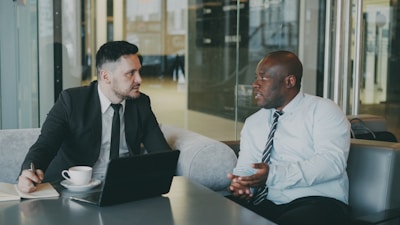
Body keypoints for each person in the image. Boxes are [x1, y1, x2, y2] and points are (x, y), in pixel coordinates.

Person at [18, 41, 171, 193]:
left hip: (122, 189)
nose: (139, 79)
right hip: (76, 189)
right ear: (106, 77)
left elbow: (162, 154)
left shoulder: (141, 103)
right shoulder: (72, 101)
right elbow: (45, 145)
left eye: (139, 71)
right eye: (131, 73)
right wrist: (29, 171)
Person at [227, 51, 351, 225]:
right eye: (256, 78)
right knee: (217, 213)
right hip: (268, 203)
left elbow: (331, 163)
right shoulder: (254, 122)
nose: (255, 84)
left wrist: (273, 175)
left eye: (263, 78)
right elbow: (247, 167)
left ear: (289, 81)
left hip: (317, 201)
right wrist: (242, 184)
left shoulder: (323, 110)